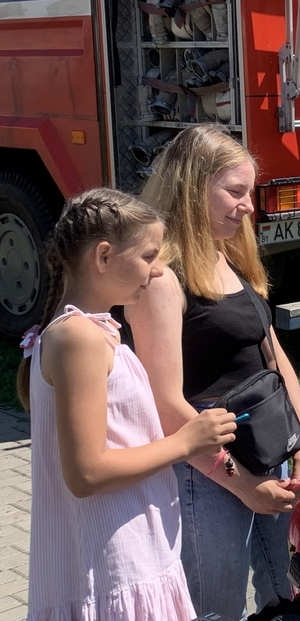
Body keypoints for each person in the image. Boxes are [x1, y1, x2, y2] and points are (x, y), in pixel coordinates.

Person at [122, 125, 300, 620]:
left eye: (249, 192)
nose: (249, 205)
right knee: (216, 608)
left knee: (286, 592)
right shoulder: (162, 277)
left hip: (269, 447)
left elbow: (275, 357)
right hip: (208, 472)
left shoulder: (227, 255)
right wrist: (241, 485)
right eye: (235, 192)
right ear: (192, 188)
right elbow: (168, 407)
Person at [18, 188, 237, 621]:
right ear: (103, 256)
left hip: (131, 556)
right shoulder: (78, 337)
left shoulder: (92, 333)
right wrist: (187, 442)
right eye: (148, 256)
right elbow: (86, 473)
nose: (157, 272)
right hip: (112, 565)